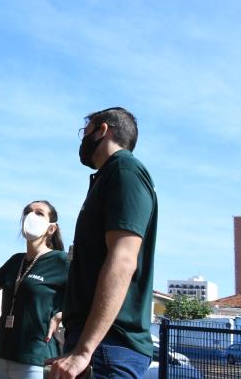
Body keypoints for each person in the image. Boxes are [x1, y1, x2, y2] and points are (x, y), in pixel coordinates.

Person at [47, 107, 158, 379]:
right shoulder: (110, 176)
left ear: (103, 130)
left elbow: (123, 260)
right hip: (98, 345)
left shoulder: (125, 171)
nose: (82, 139)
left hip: (107, 349)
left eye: (84, 131)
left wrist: (84, 350)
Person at [0, 200, 68, 379]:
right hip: (3, 356)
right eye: (27, 211)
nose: (31, 216)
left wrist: (62, 314)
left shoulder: (61, 261)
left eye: (39, 213)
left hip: (36, 360)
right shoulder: (16, 261)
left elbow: (89, 297)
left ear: (51, 229)